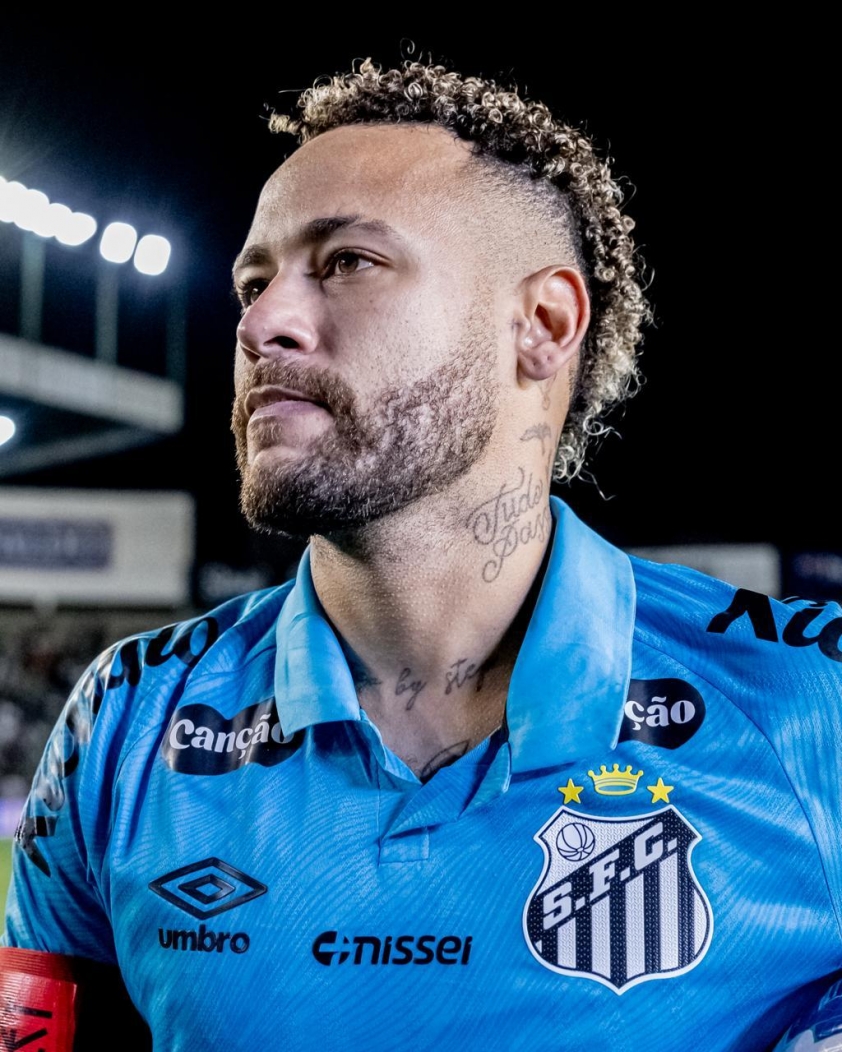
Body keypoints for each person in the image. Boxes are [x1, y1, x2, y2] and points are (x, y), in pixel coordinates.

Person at [1, 57, 840, 1052]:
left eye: (348, 261)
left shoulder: (811, 701)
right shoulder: (126, 720)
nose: (261, 322)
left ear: (541, 324)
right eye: (254, 282)